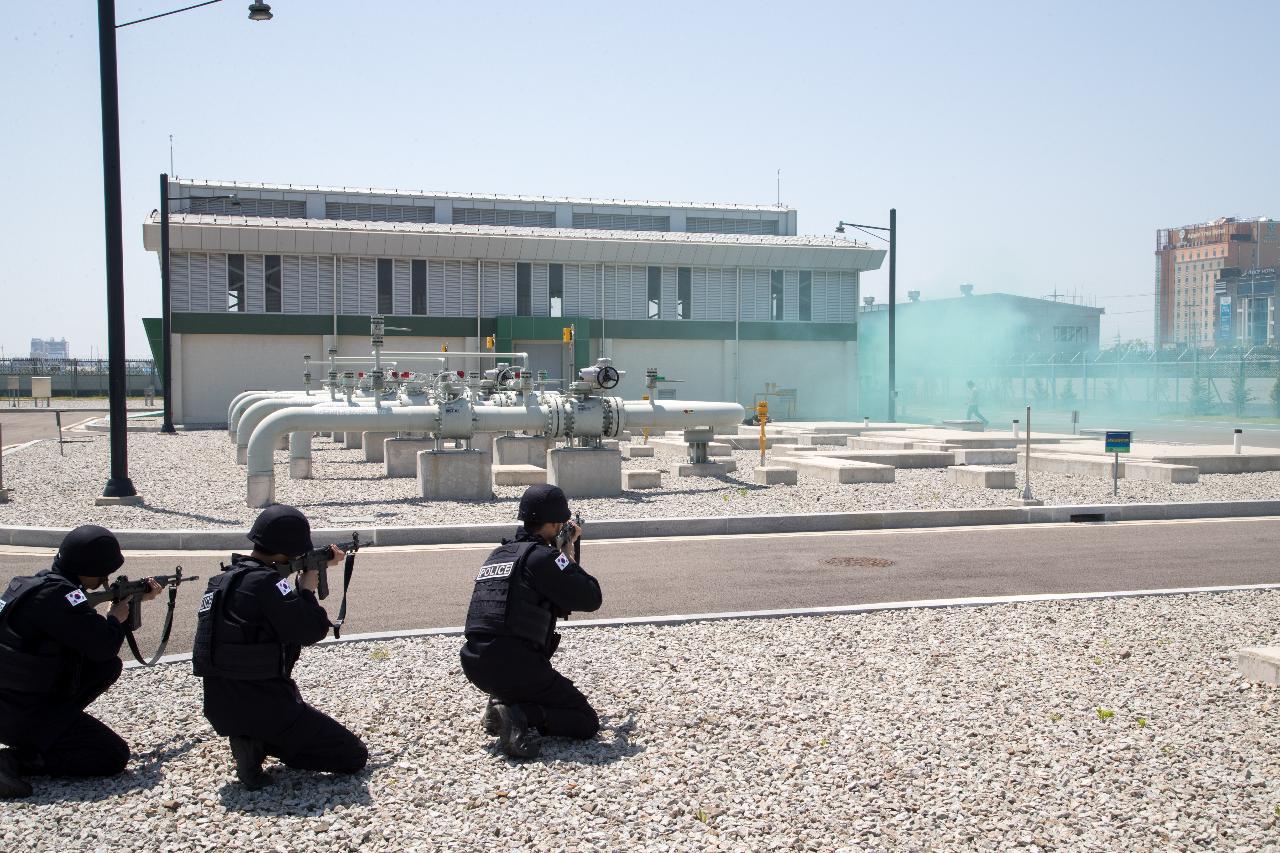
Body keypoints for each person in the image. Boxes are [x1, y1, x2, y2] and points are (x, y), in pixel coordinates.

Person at [193, 505, 367, 790]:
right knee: (353, 755)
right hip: (268, 705)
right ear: (292, 549)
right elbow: (311, 630)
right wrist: (307, 590)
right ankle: (259, 741)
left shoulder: (222, 581)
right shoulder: (270, 584)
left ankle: (252, 737)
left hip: (221, 706)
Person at [0, 525, 163, 798]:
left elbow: (73, 626)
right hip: (21, 713)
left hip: (11, 701)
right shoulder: (62, 597)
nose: (104, 580)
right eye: (102, 574)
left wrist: (133, 600)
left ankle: (50, 729)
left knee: (106, 668)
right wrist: (115, 618)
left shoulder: (31, 586)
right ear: (91, 569)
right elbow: (102, 646)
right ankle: (16, 760)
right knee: (111, 756)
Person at [461, 484, 603, 758]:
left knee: (520, 674)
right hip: (514, 664)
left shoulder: (499, 554)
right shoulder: (544, 558)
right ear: (552, 524)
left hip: (475, 664)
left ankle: (503, 700)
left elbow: (557, 605)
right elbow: (590, 597)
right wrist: (568, 554)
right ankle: (518, 714)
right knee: (585, 720)